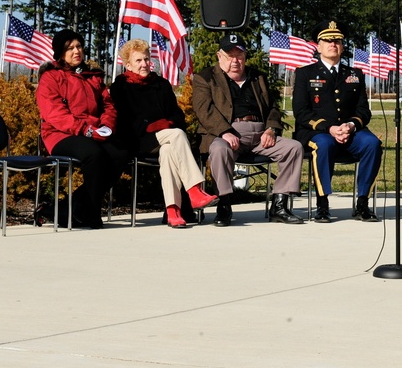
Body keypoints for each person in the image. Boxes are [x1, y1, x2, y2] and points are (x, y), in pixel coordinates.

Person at [192, 34, 305, 226]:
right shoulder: (205, 78)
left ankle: (279, 205)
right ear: (220, 56)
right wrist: (224, 132)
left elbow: (273, 108)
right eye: (230, 56)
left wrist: (271, 129)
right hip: (227, 134)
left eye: (240, 56)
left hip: (260, 135)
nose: (235, 61)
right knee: (219, 149)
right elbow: (204, 110)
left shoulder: (257, 77)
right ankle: (224, 206)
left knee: (293, 148)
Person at [109, 39, 220, 228]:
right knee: (176, 135)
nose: (144, 64)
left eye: (146, 59)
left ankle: (173, 210)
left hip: (166, 138)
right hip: (137, 140)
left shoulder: (161, 84)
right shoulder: (120, 87)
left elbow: (177, 114)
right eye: (138, 61)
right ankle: (194, 190)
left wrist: (167, 123)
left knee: (169, 151)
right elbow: (123, 121)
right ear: (128, 64)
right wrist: (150, 126)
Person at [36, 29, 130, 228]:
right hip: (60, 135)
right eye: (70, 48)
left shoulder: (92, 76)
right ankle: (92, 214)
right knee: (93, 155)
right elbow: (55, 114)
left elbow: (108, 105)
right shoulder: (51, 77)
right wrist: (86, 130)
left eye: (79, 46)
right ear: (60, 53)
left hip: (93, 132)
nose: (76, 51)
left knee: (120, 153)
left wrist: (106, 126)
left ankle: (69, 206)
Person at [292, 20, 382, 223]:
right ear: (318, 45)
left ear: (342, 46)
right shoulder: (305, 73)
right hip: (317, 132)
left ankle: (362, 203)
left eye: (337, 41)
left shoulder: (355, 75)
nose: (333, 44)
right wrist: (329, 128)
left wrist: (350, 125)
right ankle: (322, 204)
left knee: (372, 143)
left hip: (350, 132)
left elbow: (363, 111)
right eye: (328, 40)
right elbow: (301, 112)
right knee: (323, 144)